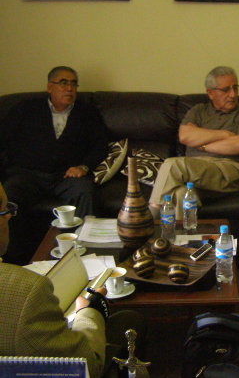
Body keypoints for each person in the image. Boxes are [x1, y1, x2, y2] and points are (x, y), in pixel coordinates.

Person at [0, 182, 146, 378]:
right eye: (4, 211)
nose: (9, 216)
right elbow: (85, 366)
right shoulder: (26, 291)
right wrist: (90, 311)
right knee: (131, 320)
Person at [1, 66, 108, 264]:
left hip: (66, 176)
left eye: (74, 84)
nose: (70, 88)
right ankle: (13, 258)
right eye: (64, 83)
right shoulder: (25, 109)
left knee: (84, 190)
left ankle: (85, 251)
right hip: (28, 175)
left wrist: (84, 167)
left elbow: (100, 145)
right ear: (50, 87)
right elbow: (4, 140)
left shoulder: (87, 113)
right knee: (9, 194)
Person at [150, 66, 239, 218]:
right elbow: (185, 136)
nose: (233, 94)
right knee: (182, 194)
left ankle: (149, 220)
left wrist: (201, 144)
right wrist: (225, 135)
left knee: (171, 164)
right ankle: (184, 239)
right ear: (210, 93)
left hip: (228, 170)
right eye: (226, 90)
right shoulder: (198, 111)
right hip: (194, 175)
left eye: (235, 88)